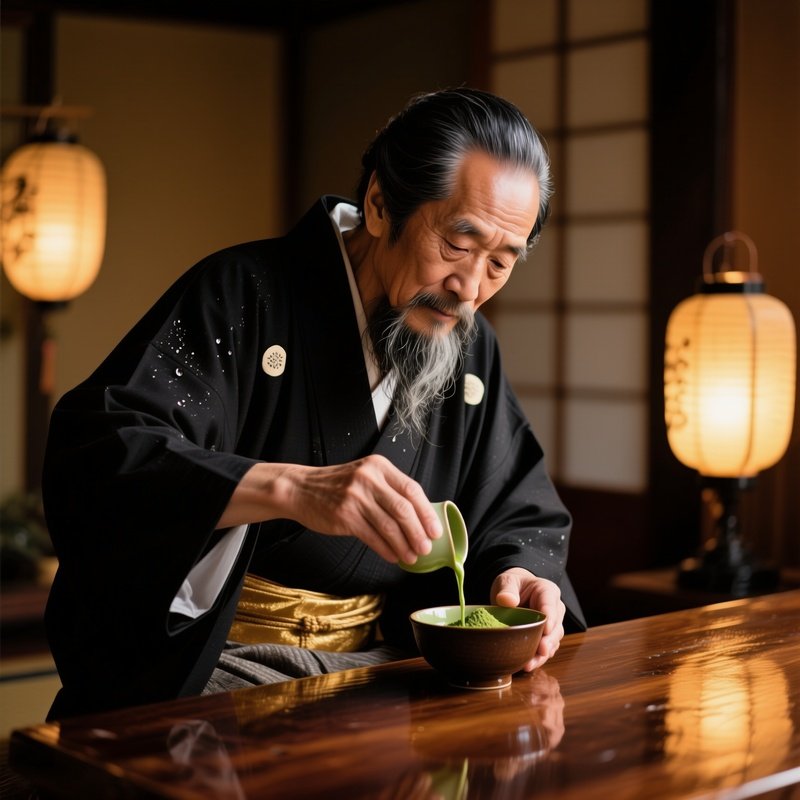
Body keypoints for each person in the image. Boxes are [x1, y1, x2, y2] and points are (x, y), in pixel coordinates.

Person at [42, 87, 586, 719]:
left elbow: (520, 511)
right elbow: (101, 454)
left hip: (389, 663)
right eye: (457, 246)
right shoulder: (243, 295)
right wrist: (287, 487)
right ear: (381, 205)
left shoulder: (469, 347)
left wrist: (522, 575)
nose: (469, 288)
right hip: (226, 661)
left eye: (499, 262)